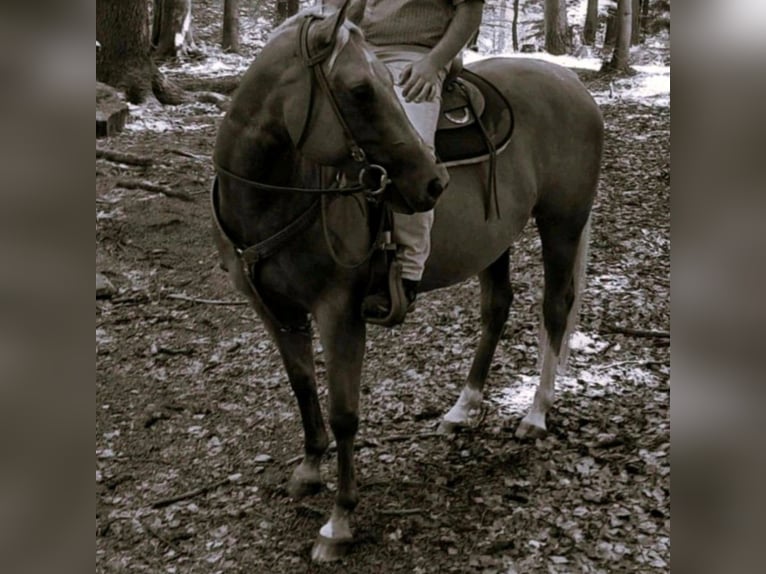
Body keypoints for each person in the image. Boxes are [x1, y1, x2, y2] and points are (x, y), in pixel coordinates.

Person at [334, 0, 484, 319]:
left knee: (408, 149)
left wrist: (433, 64)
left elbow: (470, 10)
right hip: (359, 49)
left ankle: (406, 270)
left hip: (418, 55)